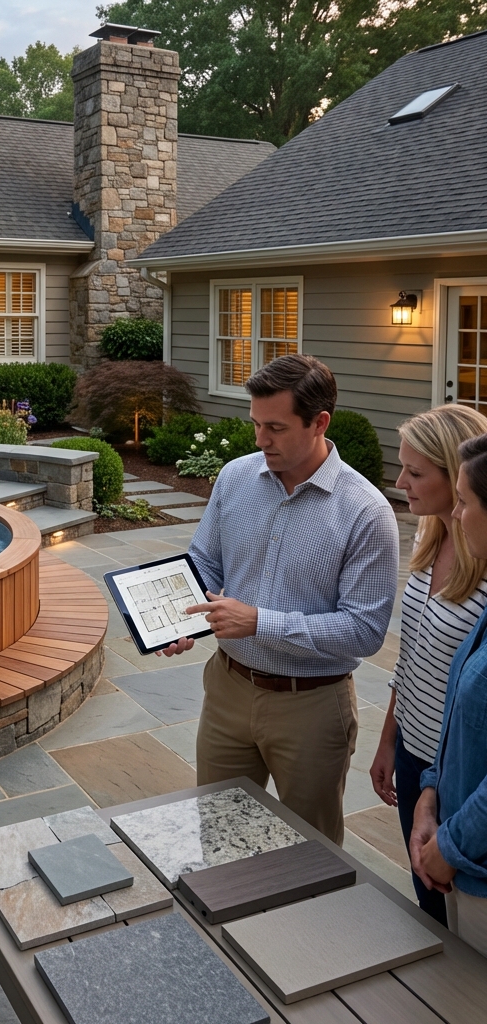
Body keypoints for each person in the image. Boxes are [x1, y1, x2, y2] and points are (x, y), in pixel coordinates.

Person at [162, 354, 399, 844]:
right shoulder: (235, 477)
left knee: (308, 854)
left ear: (319, 423)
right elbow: (205, 560)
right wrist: (176, 616)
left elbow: (365, 632)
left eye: (275, 427)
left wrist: (260, 622)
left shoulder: (366, 512)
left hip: (310, 707)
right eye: (255, 424)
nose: (260, 439)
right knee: (219, 833)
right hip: (227, 691)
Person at [370, 406, 487, 925]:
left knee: (455, 916)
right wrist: (389, 737)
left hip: (460, 775)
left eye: (416, 473)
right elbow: (413, 650)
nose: (401, 483)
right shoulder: (429, 535)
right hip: (418, 761)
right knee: (428, 905)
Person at [410, 433, 487, 957]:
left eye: (464, 502)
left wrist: (451, 845)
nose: (455, 515)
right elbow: (461, 709)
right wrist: (431, 792)